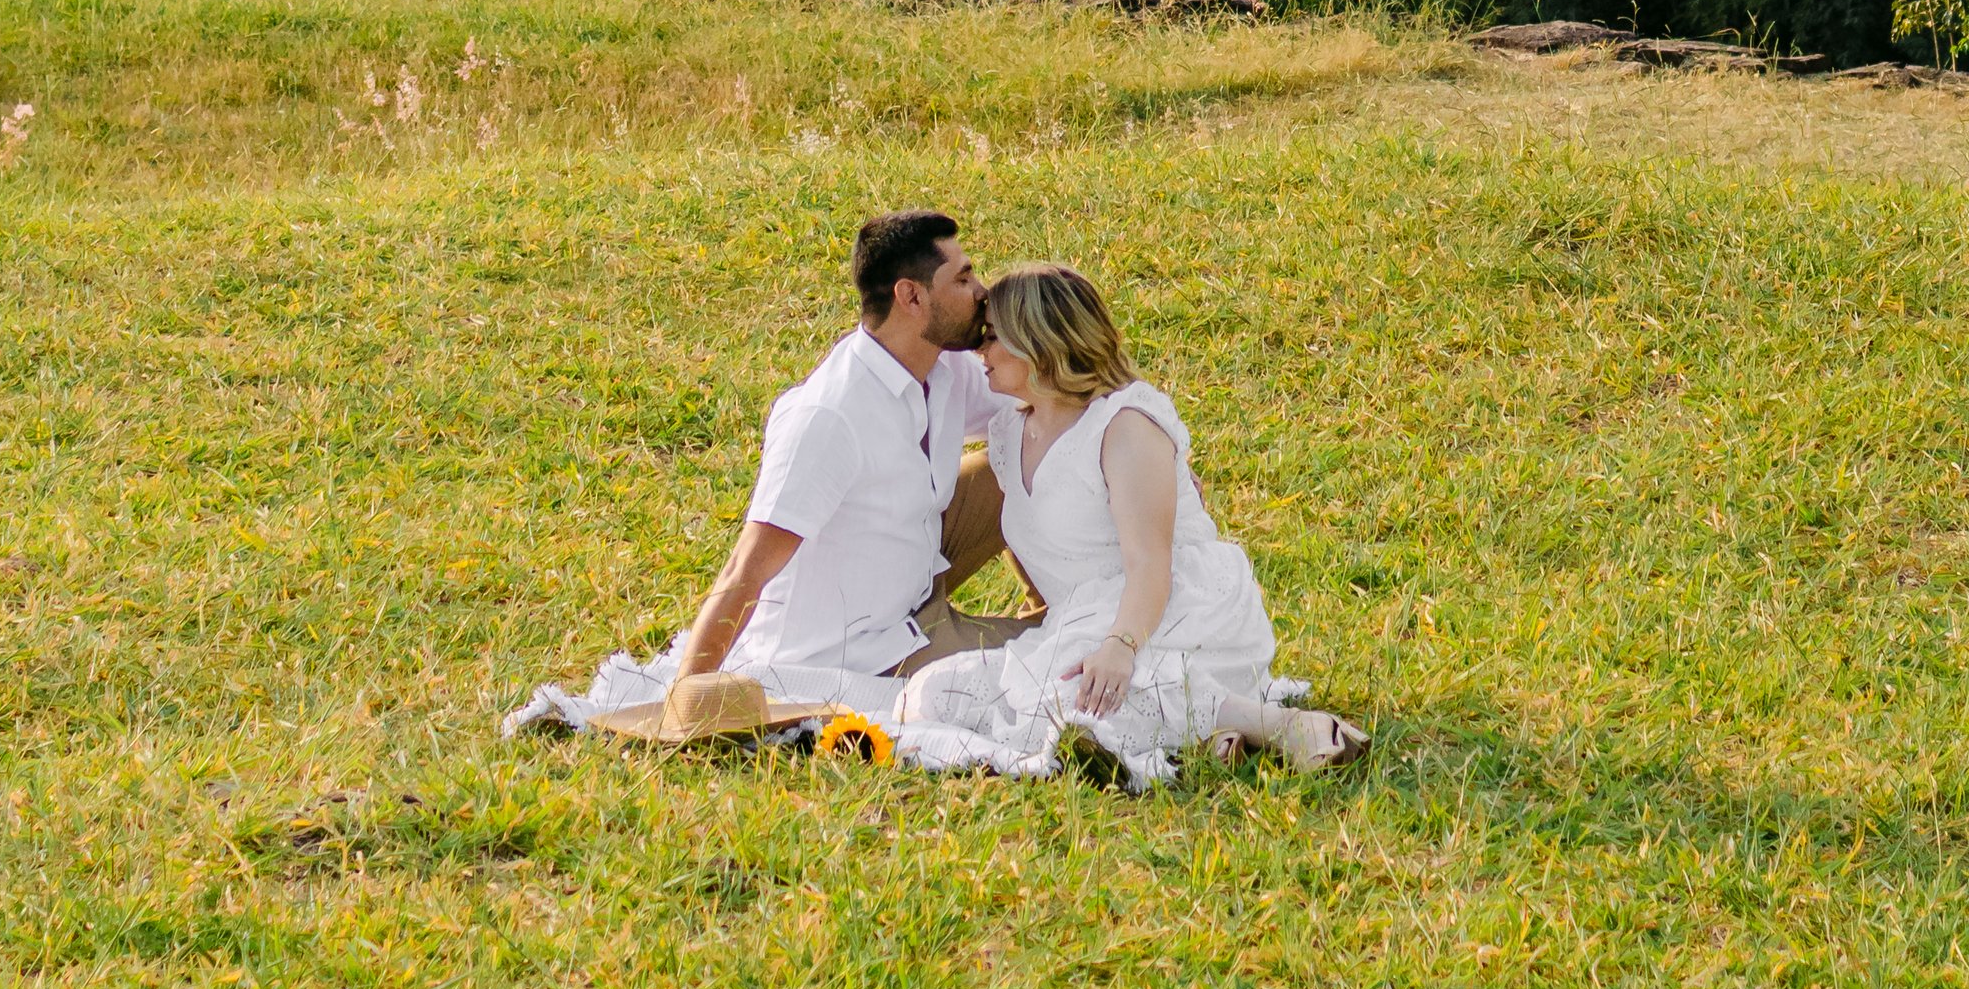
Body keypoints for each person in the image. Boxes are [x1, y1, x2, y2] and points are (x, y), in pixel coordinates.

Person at [504, 211, 1043, 741]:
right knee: (1051, 667)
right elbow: (746, 571)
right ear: (912, 297)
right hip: (865, 645)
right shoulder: (830, 417)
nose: (982, 292)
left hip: (915, 572)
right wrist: (687, 704)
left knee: (1022, 455)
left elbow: (1049, 401)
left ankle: (1063, 606)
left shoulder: (943, 369)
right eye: (964, 278)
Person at [898, 263, 1365, 782]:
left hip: (1173, 606)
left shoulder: (1126, 425)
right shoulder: (1010, 431)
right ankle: (1208, 736)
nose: (979, 353)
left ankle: (1285, 726)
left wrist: (1120, 647)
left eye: (992, 338)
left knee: (1073, 690)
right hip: (1088, 615)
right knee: (940, 693)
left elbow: (1150, 564)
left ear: (1038, 343)